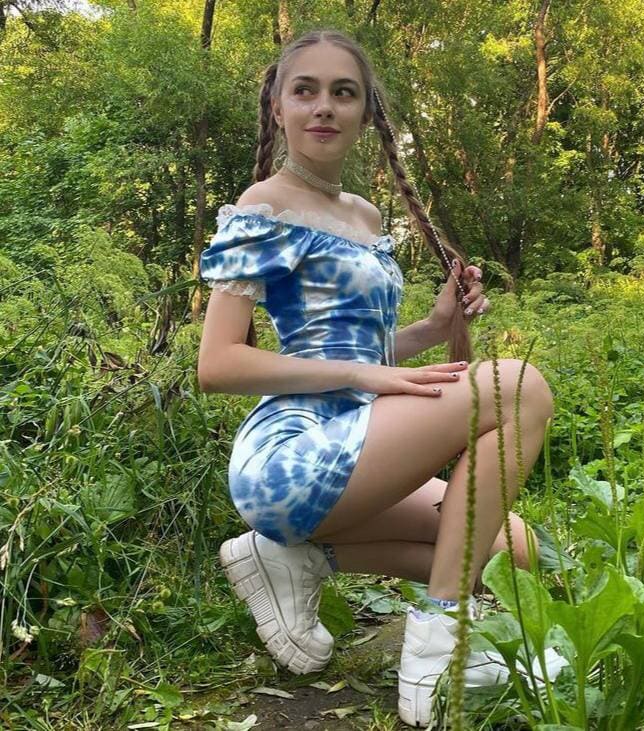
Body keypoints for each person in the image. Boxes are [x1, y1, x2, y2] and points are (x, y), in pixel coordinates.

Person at [197, 28, 565, 729]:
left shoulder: (364, 215)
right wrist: (366, 373)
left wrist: (433, 326)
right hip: (292, 452)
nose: (323, 106)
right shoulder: (262, 205)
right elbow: (217, 364)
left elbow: (359, 349)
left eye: (344, 92)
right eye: (305, 90)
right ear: (277, 105)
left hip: (359, 435)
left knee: (514, 549)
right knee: (518, 387)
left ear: (366, 113)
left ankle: (295, 560)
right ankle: (440, 644)